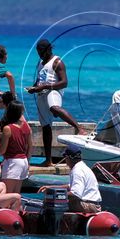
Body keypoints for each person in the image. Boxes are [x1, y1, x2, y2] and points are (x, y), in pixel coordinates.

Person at [26, 39, 86, 167]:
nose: (40, 55)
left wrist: (46, 86)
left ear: (48, 49)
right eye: (38, 52)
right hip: (41, 95)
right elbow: (39, 80)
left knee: (54, 107)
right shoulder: (41, 64)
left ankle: (79, 127)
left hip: (54, 92)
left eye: (42, 52)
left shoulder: (57, 62)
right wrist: (34, 88)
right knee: (46, 127)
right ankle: (48, 160)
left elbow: (64, 82)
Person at [39, 144, 101, 213]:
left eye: (65, 157)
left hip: (88, 205)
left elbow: (75, 194)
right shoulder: (81, 167)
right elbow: (70, 186)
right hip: (92, 204)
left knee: (52, 202)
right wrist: (50, 188)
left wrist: (55, 195)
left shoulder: (77, 171)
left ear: (69, 157)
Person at [0, 101, 33, 194]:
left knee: (8, 194)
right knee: (16, 194)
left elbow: (2, 151)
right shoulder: (26, 126)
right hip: (24, 161)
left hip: (12, 162)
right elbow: (30, 146)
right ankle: (18, 209)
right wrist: (28, 161)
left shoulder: (7, 128)